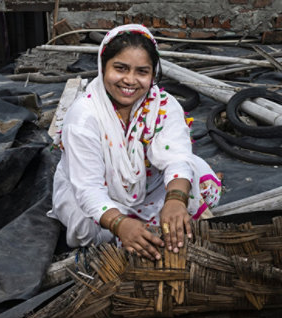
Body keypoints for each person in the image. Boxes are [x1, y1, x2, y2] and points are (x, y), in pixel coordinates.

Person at [48, 24, 222, 261]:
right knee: (85, 228)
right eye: (120, 68)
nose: (129, 81)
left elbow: (177, 158)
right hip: (100, 191)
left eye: (142, 72)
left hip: (149, 186)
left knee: (197, 183)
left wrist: (175, 200)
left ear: (153, 74)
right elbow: (88, 187)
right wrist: (120, 224)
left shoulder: (163, 105)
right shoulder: (84, 116)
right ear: (103, 67)